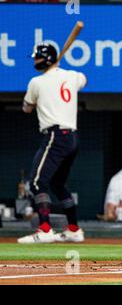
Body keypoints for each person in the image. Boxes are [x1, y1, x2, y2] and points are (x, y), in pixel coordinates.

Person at [18, 43, 87, 244]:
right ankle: (74, 229)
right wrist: (62, 73)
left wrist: (56, 74)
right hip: (72, 138)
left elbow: (26, 109)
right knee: (57, 184)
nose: (34, 61)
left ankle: (45, 229)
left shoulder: (36, 82)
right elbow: (84, 79)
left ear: (46, 59)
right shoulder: (72, 76)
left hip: (56, 135)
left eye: (37, 58)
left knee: (38, 182)